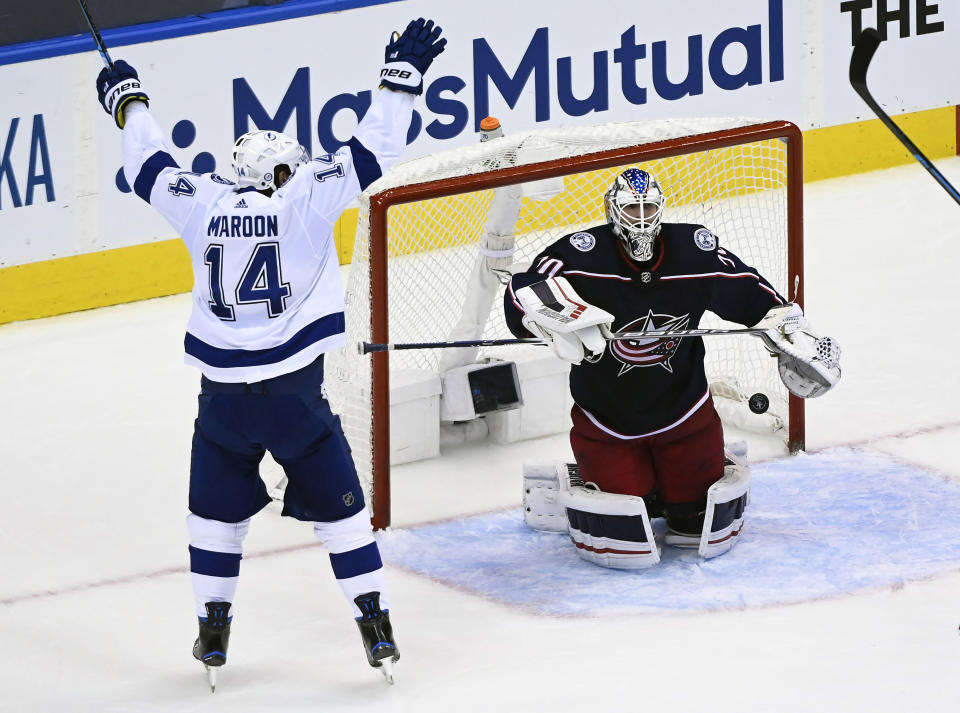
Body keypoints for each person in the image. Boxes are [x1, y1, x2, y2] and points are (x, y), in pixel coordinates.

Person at [95, 18, 447, 688]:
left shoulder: (202, 200)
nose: (297, 169)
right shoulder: (305, 203)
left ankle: (212, 626)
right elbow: (374, 149)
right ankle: (374, 622)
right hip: (293, 398)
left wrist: (129, 102)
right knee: (342, 512)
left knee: (212, 513)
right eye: (286, 166)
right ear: (272, 174)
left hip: (222, 403)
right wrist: (400, 80)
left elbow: (146, 167)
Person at [506, 168, 841, 569]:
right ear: (614, 211)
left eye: (648, 207)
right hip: (608, 423)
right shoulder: (582, 254)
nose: (641, 217)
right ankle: (635, 480)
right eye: (632, 208)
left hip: (685, 414)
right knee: (628, 519)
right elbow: (527, 284)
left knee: (697, 520)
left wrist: (788, 326)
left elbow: (749, 290)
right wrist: (545, 312)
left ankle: (677, 486)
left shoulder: (693, 251)